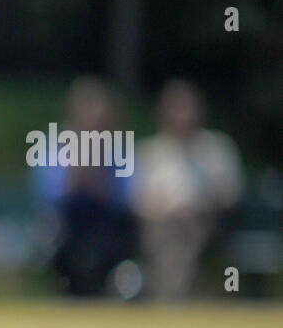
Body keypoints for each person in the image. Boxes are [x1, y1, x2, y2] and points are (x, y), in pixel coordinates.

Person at [133, 80, 243, 300]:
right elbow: (139, 202)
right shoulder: (150, 152)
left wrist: (197, 206)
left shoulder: (217, 147)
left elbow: (232, 194)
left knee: (184, 235)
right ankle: (180, 296)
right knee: (170, 237)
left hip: (207, 222)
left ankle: (172, 297)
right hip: (162, 225)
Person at [32, 77, 137, 296]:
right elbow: (47, 195)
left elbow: (126, 199)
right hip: (66, 231)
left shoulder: (120, 152)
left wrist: (99, 178)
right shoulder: (56, 148)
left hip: (108, 229)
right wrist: (76, 173)